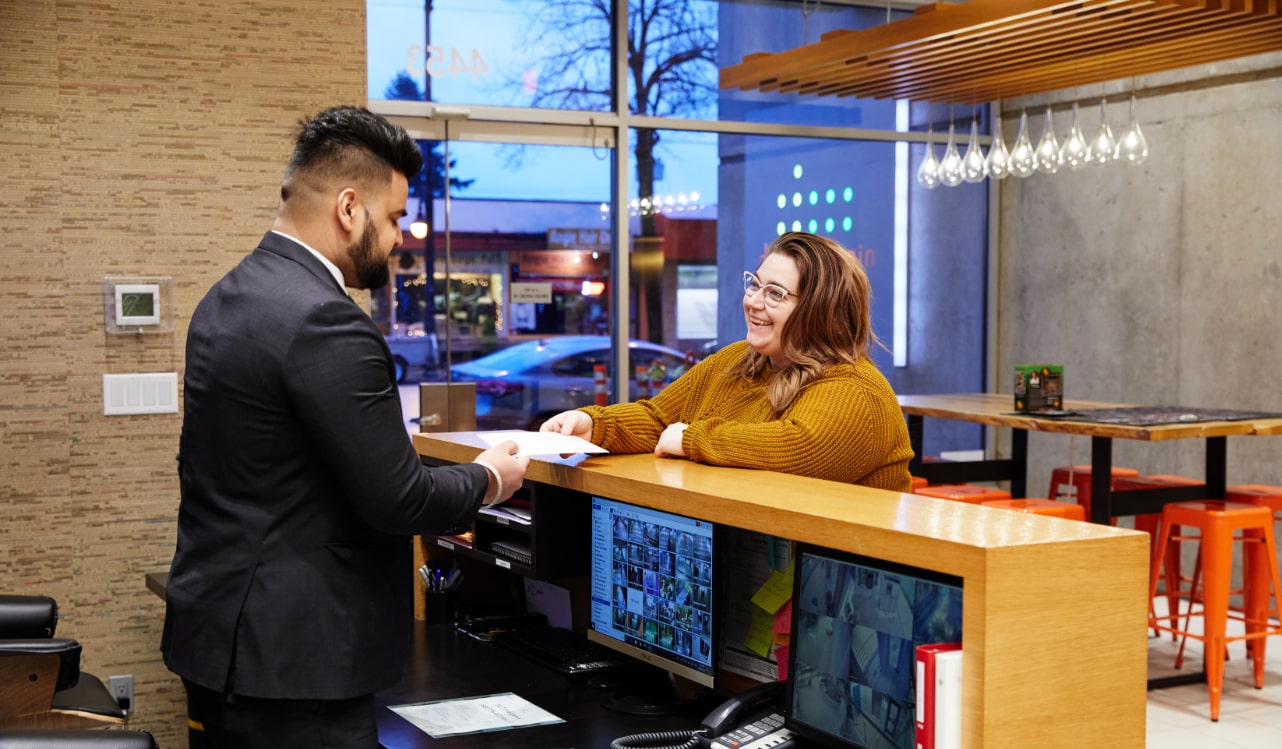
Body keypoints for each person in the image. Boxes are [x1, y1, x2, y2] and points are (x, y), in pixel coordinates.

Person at [162, 105, 529, 749]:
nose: (400, 238)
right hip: (297, 661)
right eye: (393, 219)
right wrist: (491, 478)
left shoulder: (227, 295)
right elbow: (401, 500)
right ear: (349, 208)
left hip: (224, 634)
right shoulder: (325, 321)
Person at [541, 231, 912, 491]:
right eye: (755, 284)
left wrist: (693, 439)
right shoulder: (740, 359)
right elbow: (660, 421)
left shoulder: (855, 389)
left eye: (775, 294)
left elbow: (800, 448)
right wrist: (593, 426)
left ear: (821, 311)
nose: (753, 301)